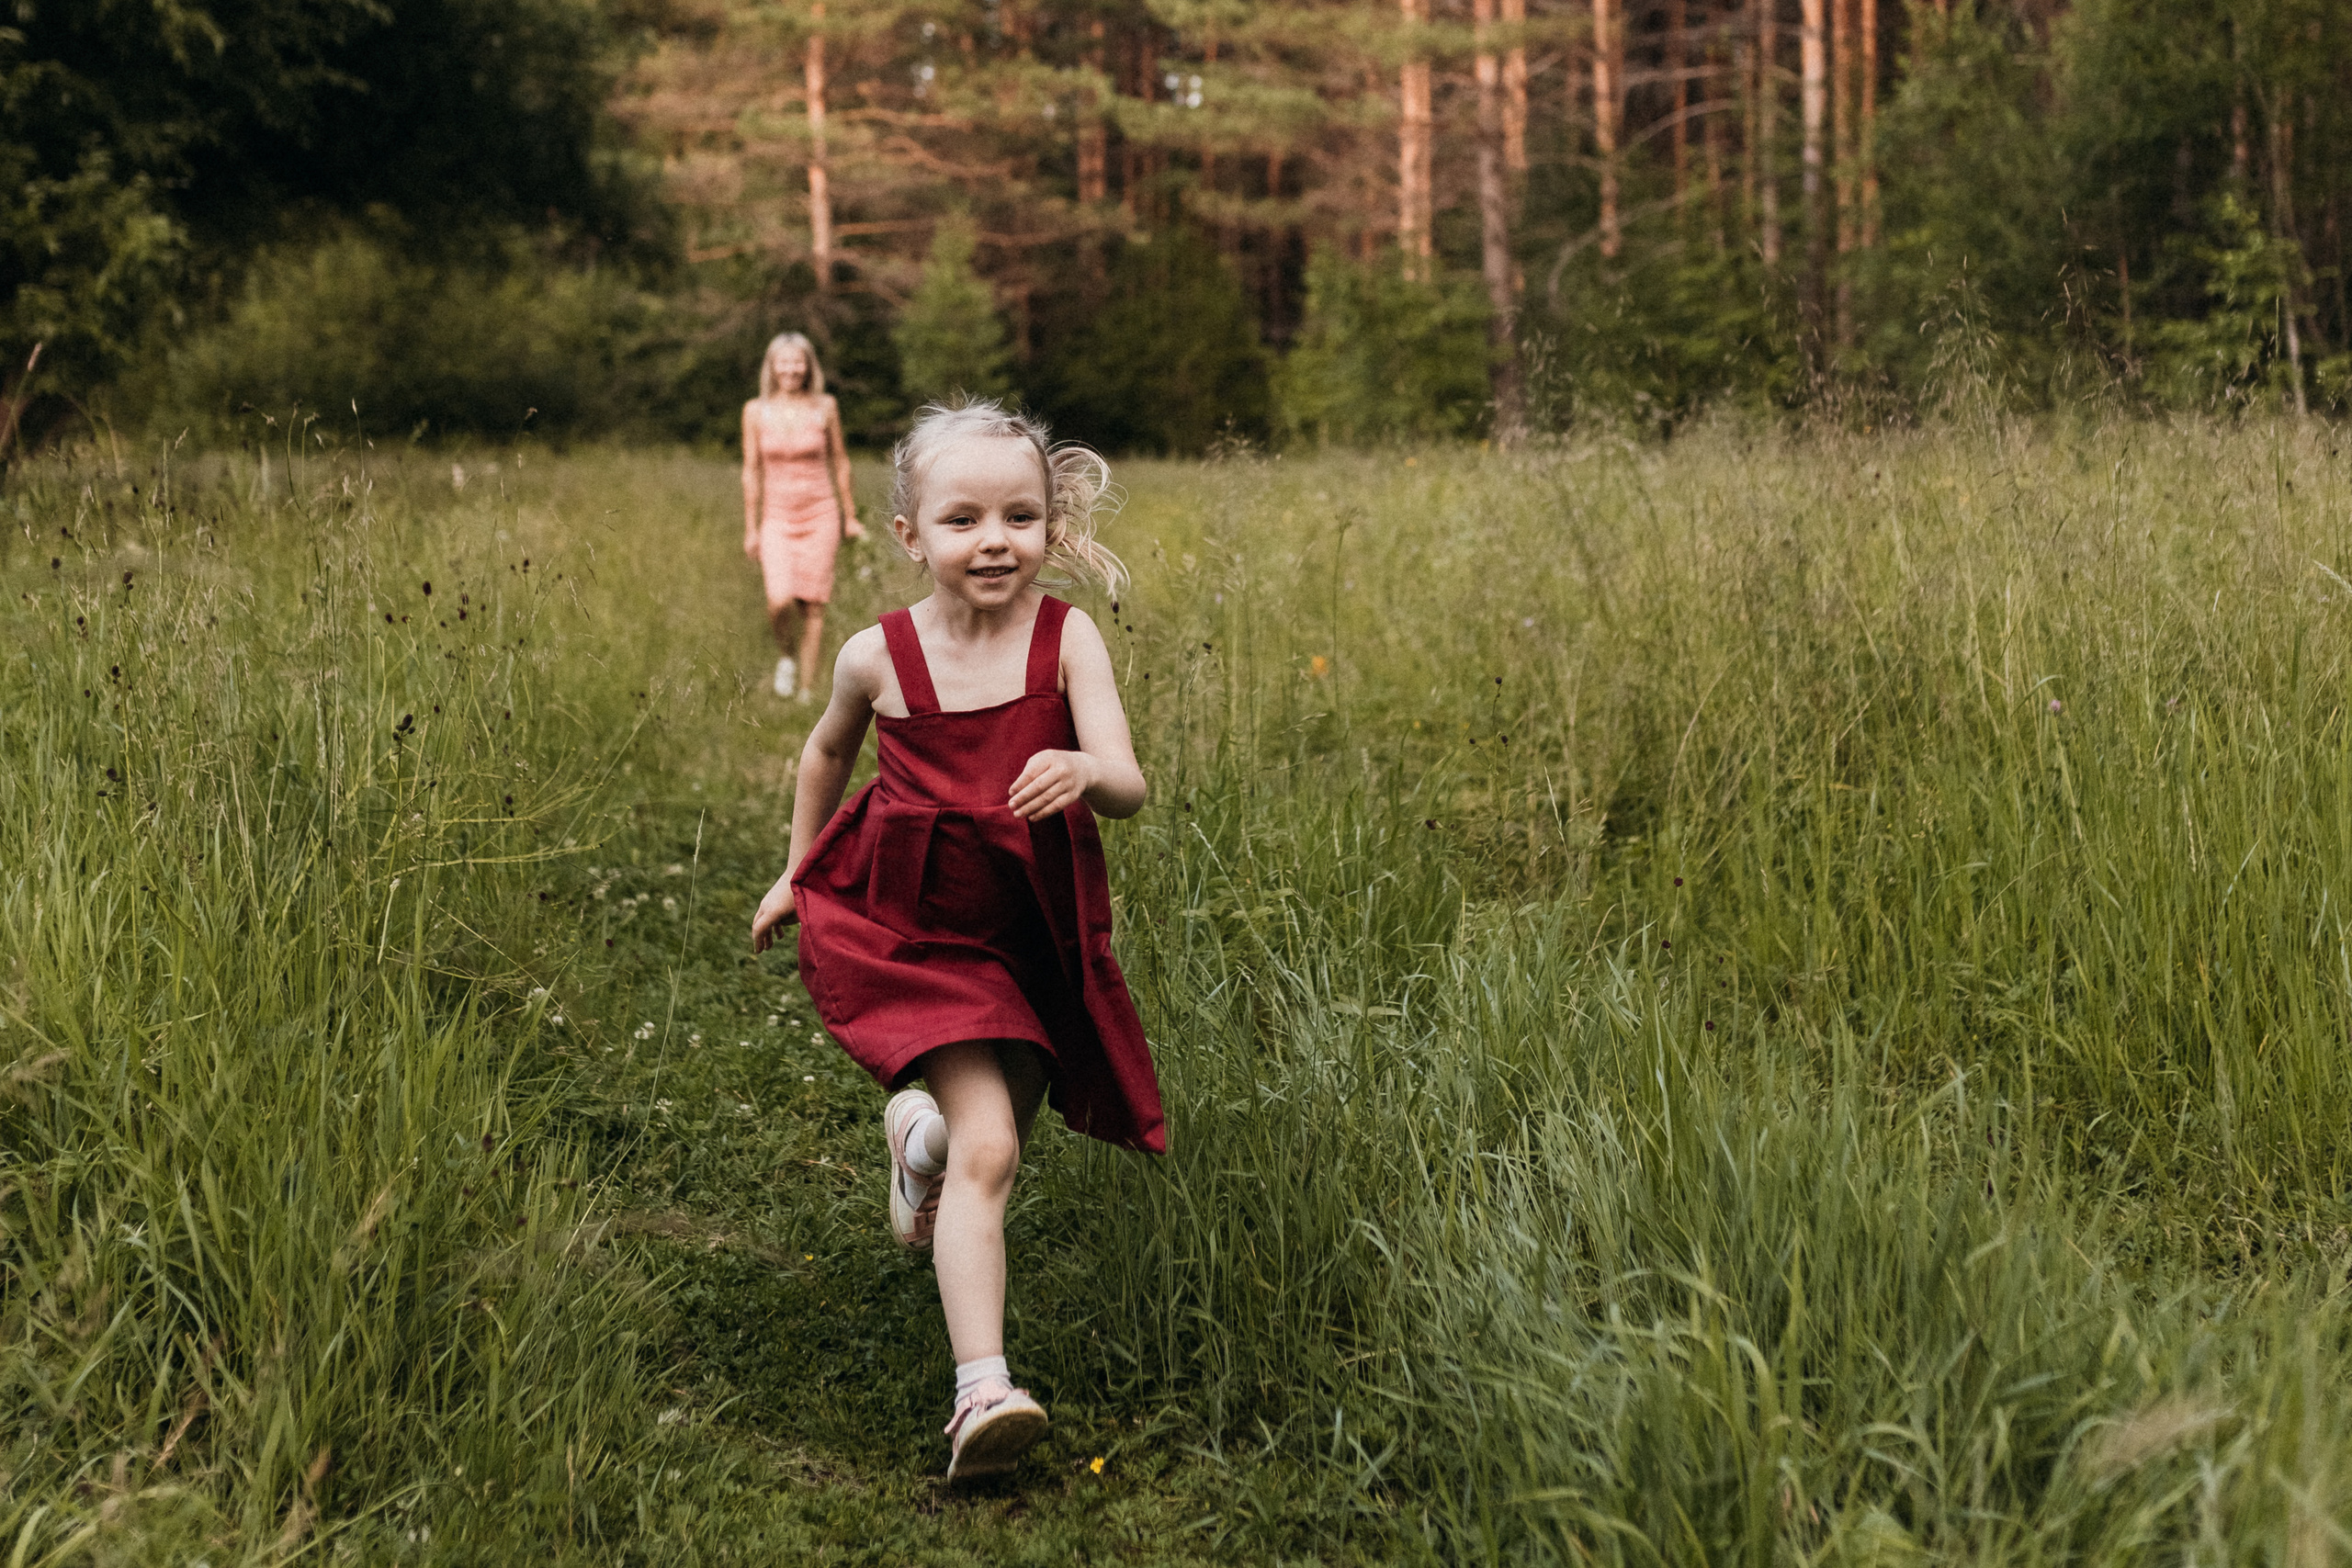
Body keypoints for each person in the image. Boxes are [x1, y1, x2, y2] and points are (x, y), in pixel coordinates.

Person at [750, 400, 1164, 1483]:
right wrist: (798, 874)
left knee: (993, 1136)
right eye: (963, 518)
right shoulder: (874, 656)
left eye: (1019, 517)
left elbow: (1127, 781)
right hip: (919, 932)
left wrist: (1082, 769)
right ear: (909, 536)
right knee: (995, 1153)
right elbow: (822, 755)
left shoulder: (1065, 637)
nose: (993, 540)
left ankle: (915, 1145)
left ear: (1049, 529)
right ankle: (982, 1388)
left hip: (1029, 924)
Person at [742, 333, 864, 700]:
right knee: (779, 600)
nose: (791, 368)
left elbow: (840, 462)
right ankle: (786, 657)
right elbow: (751, 470)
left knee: (813, 604)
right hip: (777, 517)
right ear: (773, 366)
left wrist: (850, 515)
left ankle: (806, 692)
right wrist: (751, 527)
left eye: (798, 361)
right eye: (784, 361)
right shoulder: (754, 411)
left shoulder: (825, 407)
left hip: (821, 513)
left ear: (809, 366)